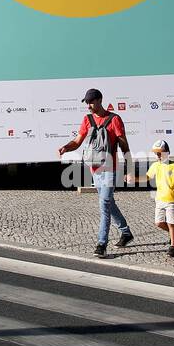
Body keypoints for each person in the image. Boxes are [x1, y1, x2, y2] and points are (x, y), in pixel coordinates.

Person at [57, 89, 136, 258]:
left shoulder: (115, 120)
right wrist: (66, 147)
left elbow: (124, 146)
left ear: (100, 100)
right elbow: (78, 141)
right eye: (87, 102)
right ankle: (126, 232)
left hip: (110, 169)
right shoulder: (87, 119)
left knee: (104, 205)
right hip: (95, 169)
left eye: (91, 102)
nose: (89, 105)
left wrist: (129, 170)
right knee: (109, 203)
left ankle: (101, 244)